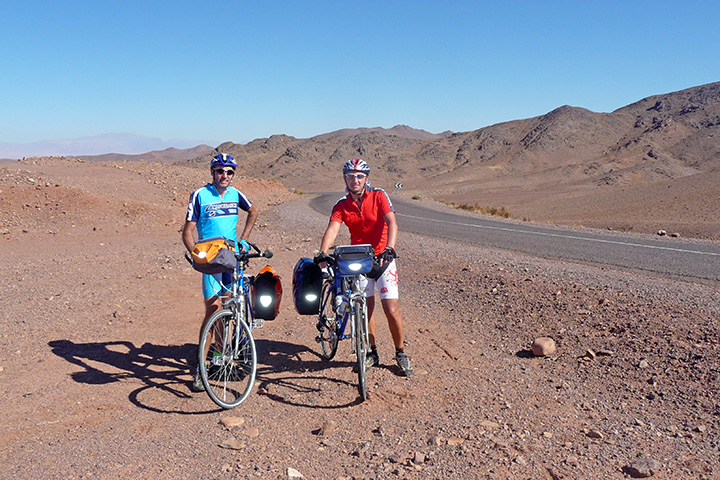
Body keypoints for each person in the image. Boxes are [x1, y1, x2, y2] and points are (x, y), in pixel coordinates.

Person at [316, 158, 413, 376]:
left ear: (366, 179)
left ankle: (400, 352)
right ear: (345, 178)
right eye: (350, 176)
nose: (355, 180)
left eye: (360, 176)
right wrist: (322, 251)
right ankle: (371, 352)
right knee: (365, 309)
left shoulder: (378, 195)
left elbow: (392, 222)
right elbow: (332, 228)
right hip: (358, 261)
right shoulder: (341, 205)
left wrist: (390, 247)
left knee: (391, 309)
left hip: (382, 259)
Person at [181, 153, 259, 391]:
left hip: (232, 258)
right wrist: (196, 253)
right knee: (213, 311)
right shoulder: (200, 195)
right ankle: (201, 368)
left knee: (228, 309)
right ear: (212, 172)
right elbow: (187, 231)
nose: (224, 176)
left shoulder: (236, 194)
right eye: (220, 171)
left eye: (229, 172)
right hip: (211, 261)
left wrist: (244, 239)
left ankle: (220, 355)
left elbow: (253, 211)